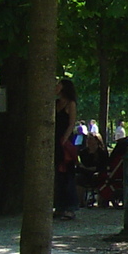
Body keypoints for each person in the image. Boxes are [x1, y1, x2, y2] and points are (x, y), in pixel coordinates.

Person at [53, 79, 79, 220]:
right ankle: (59, 206)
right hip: (55, 139)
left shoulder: (70, 104)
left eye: (58, 84)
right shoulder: (56, 103)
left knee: (67, 173)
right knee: (58, 174)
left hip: (64, 140)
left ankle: (70, 207)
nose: (55, 87)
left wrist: (65, 138)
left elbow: (71, 123)